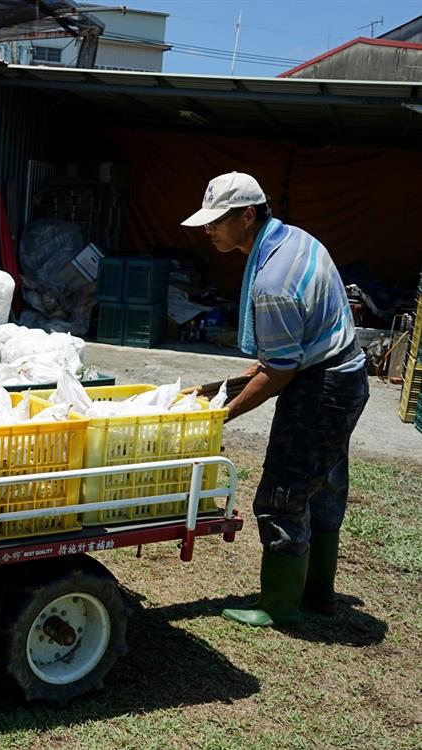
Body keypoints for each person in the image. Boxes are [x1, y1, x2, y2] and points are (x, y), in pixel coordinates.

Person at [181, 171, 369, 628]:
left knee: (281, 494)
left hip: (320, 388)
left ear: (247, 215)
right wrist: (224, 384)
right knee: (321, 486)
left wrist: (221, 416)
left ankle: (281, 605)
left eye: (216, 222)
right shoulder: (295, 239)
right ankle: (317, 593)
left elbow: (281, 370)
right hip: (344, 375)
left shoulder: (273, 280)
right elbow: (281, 353)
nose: (209, 231)